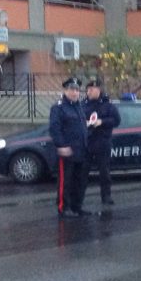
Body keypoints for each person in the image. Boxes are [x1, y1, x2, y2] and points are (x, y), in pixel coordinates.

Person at [49, 77, 91, 218]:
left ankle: (77, 207)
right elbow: (55, 129)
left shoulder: (79, 106)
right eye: (72, 90)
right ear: (66, 91)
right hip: (67, 151)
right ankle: (63, 208)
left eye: (77, 90)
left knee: (79, 181)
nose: (75, 93)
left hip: (81, 150)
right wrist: (61, 145)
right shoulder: (59, 108)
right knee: (65, 181)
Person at [84, 80, 121, 205]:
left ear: (98, 90)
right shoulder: (83, 104)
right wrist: (85, 123)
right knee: (83, 171)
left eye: (91, 89)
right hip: (87, 142)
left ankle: (106, 196)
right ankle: (79, 198)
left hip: (102, 141)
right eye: (87, 90)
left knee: (104, 171)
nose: (88, 92)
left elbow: (116, 120)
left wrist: (102, 122)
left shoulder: (108, 105)